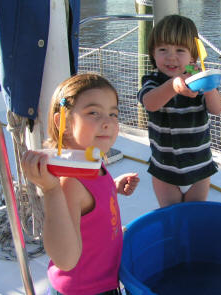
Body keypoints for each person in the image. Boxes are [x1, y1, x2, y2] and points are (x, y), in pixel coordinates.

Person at [22, 73, 140, 295]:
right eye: (93, 112)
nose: (107, 122)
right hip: (85, 290)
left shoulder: (91, 162)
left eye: (113, 113)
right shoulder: (70, 183)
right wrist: (51, 190)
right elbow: (65, 260)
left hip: (105, 279)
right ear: (63, 122)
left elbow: (90, 203)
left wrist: (113, 187)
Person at [137, 15, 221, 208]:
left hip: (200, 169)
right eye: (162, 49)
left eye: (180, 50)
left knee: (194, 217)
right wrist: (173, 85)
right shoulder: (152, 81)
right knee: (172, 217)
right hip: (164, 171)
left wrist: (208, 84)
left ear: (194, 55)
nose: (171, 57)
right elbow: (149, 103)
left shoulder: (200, 82)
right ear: (152, 52)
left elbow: (217, 109)